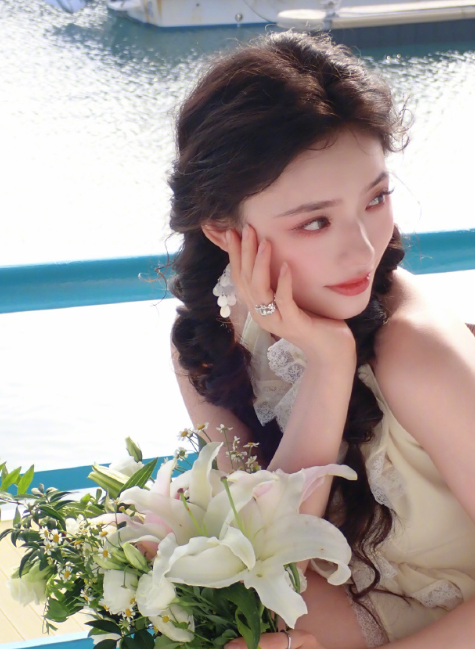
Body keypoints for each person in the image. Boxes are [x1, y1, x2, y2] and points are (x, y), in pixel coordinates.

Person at [168, 31, 475, 649]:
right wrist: (329, 365)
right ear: (223, 230)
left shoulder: (417, 353)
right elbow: (267, 555)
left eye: (376, 198)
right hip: (346, 608)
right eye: (315, 221)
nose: (363, 249)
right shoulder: (208, 341)